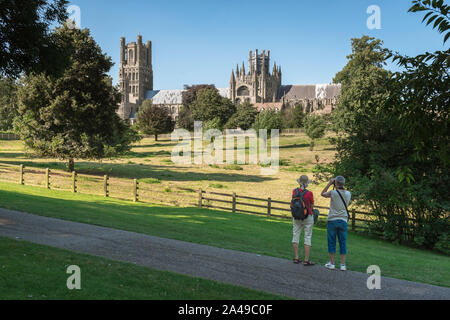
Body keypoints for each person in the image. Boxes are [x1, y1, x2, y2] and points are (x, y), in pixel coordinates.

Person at [321, 176, 351, 271]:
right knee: (343, 242)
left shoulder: (333, 193)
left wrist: (330, 183)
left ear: (336, 183)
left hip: (332, 220)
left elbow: (323, 194)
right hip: (343, 220)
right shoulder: (348, 193)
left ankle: (332, 263)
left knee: (332, 241)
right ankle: (342, 265)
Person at [291, 175, 315, 266]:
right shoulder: (309, 193)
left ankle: (296, 257)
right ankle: (306, 260)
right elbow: (311, 205)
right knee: (307, 236)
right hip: (307, 216)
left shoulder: (294, 191)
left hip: (296, 216)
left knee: (295, 235)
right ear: (307, 183)